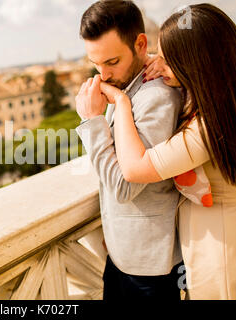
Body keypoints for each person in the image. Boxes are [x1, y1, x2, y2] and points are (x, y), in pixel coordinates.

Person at [92, 3, 236, 299]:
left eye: (169, 60)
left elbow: (133, 170)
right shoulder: (232, 100)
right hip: (234, 229)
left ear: (197, 65)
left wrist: (121, 103)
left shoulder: (207, 130)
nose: (158, 66)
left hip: (220, 251)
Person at [75, 0, 184, 300]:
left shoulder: (157, 97)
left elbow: (125, 186)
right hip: (125, 257)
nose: (103, 75)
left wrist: (92, 121)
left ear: (140, 43)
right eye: (95, 64)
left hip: (151, 271)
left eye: (112, 62)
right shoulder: (126, 86)